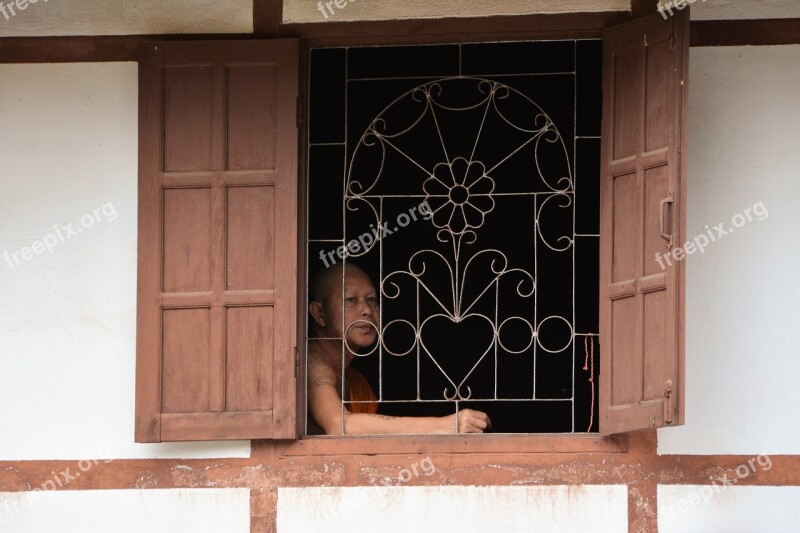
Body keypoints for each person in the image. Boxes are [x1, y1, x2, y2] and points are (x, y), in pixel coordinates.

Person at [307, 263, 492, 434]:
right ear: (319, 313)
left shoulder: (357, 382)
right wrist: (445, 425)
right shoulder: (311, 362)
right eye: (350, 299)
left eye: (371, 299)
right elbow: (339, 425)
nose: (367, 310)